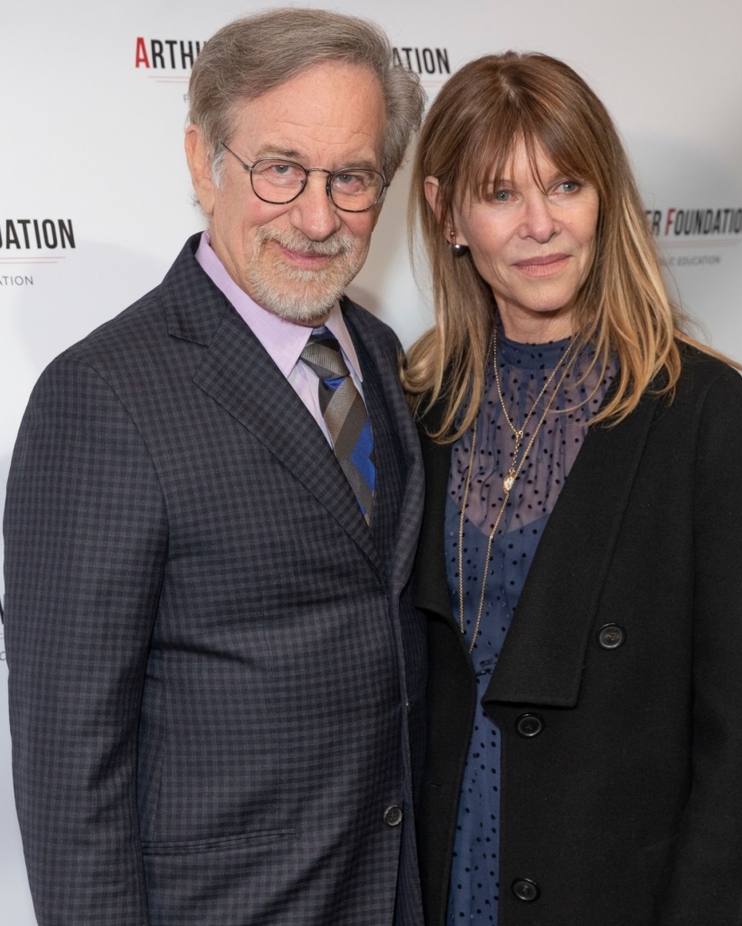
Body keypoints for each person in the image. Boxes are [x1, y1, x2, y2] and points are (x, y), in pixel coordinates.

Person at [4, 9, 427, 926]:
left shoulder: (389, 361)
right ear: (204, 163)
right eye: (280, 169)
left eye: (351, 178)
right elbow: (69, 771)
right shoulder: (101, 398)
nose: (317, 218)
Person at [403, 52, 742, 926]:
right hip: (446, 872)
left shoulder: (698, 411)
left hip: (618, 886)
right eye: (501, 193)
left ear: (605, 197)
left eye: (567, 184)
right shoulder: (421, 405)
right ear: (447, 212)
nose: (540, 225)